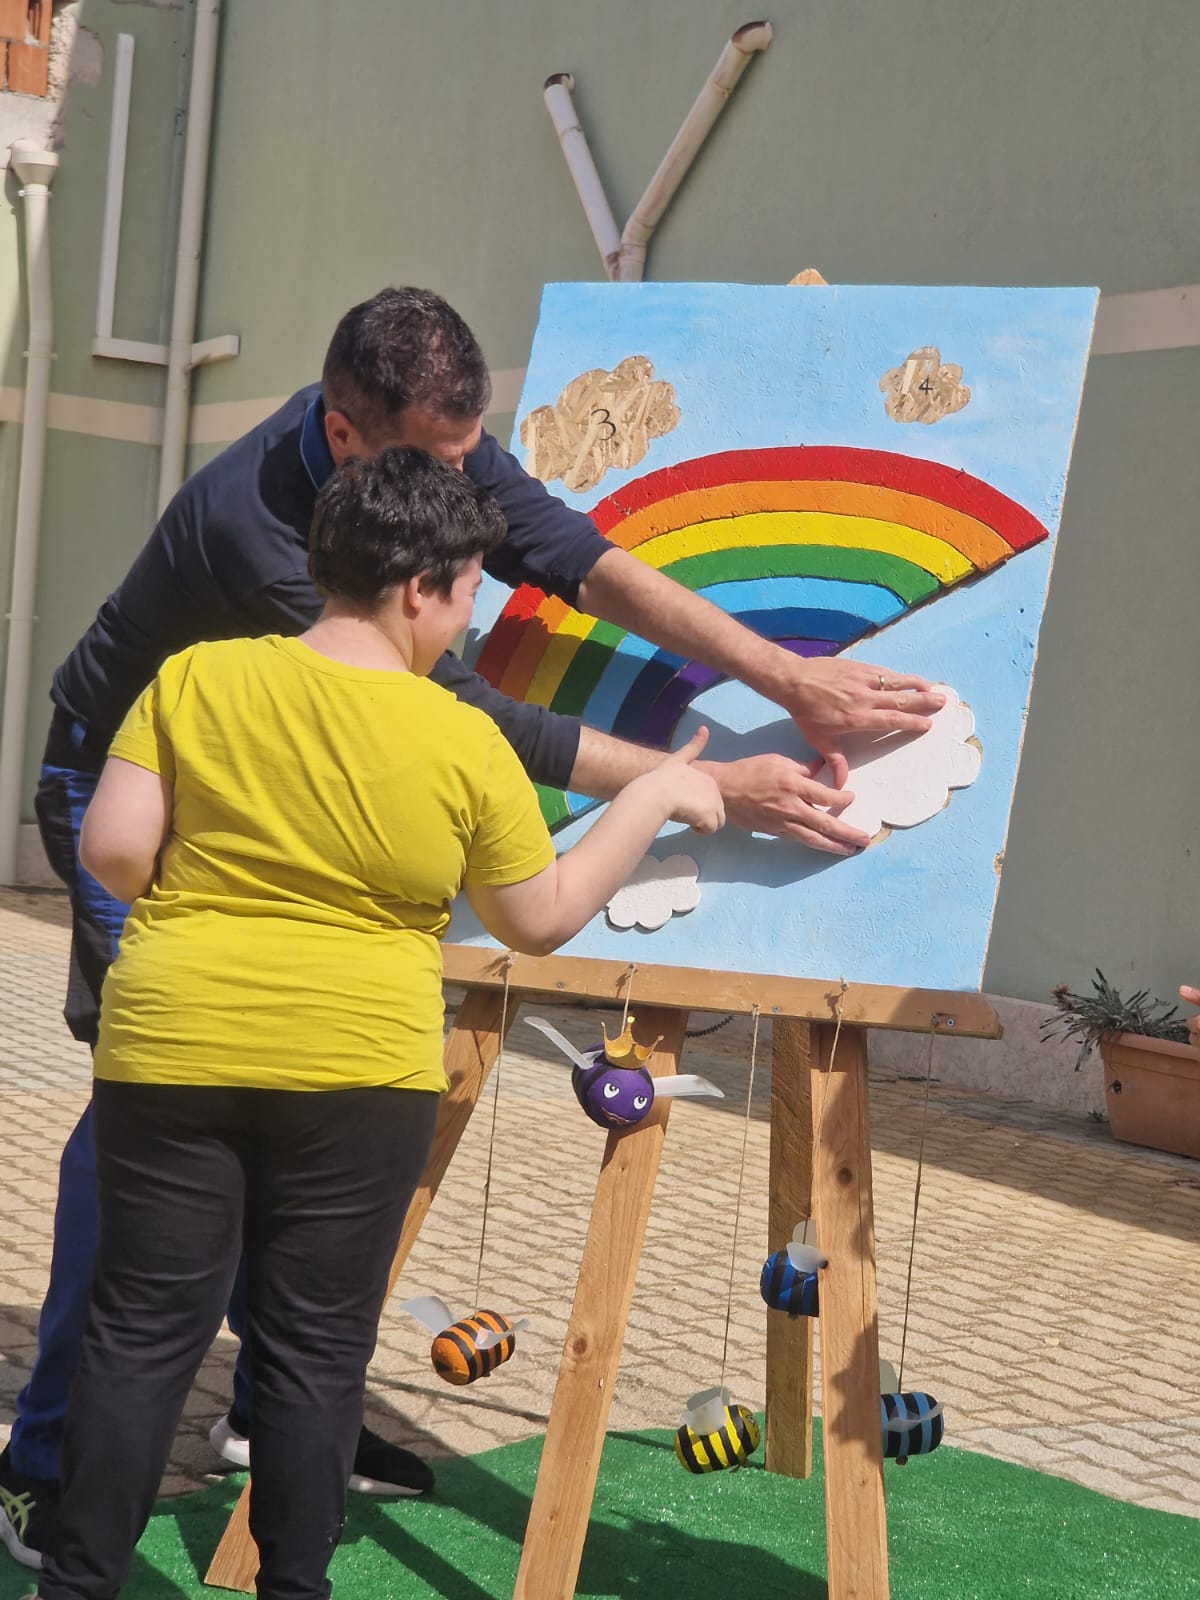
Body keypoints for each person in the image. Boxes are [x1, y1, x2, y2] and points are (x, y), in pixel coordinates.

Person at [0, 286, 943, 1569]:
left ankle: (274, 1416)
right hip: (128, 776)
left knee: (263, 1120)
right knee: (155, 1126)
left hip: (219, 781)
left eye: (472, 454)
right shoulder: (257, 535)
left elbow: (576, 555)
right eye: (441, 466)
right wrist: (703, 786)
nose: (467, 487)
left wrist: (781, 672)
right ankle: (46, 1462)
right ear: (348, 441)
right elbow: (478, 728)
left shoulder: (423, 442)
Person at [26, 449, 725, 1600]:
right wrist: (649, 795)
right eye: (468, 595)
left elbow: (111, 850)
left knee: (140, 1333)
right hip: (359, 1070)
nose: (465, 620)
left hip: (172, 1043)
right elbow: (539, 917)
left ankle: (76, 1583)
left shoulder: (195, 678)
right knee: (313, 1354)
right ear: (419, 588)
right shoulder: (462, 739)